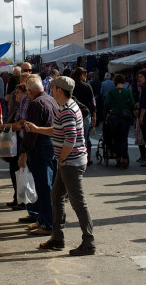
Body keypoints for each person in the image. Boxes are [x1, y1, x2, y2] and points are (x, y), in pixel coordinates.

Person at [26, 76, 95, 256]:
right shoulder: (65, 107)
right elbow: (57, 131)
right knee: (56, 197)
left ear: (59, 90)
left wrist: (63, 159)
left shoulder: (68, 110)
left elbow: (70, 139)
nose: (50, 89)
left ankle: (88, 242)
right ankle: (57, 237)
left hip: (71, 162)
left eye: (53, 87)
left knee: (78, 203)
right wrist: (37, 129)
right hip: (69, 162)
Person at [17, 74, 59, 237]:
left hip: (40, 147)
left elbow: (31, 131)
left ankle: (47, 223)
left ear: (30, 91)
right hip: (51, 145)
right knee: (47, 186)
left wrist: (25, 152)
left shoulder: (36, 103)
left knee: (44, 187)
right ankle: (43, 220)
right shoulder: (51, 100)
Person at [2, 83, 29, 208]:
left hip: (21, 141)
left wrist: (5, 126)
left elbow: (20, 125)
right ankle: (17, 197)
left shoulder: (26, 103)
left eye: (18, 92)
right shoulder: (18, 104)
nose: (15, 94)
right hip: (16, 140)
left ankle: (21, 200)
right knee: (14, 170)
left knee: (18, 171)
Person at [104, 74, 135, 169]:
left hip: (114, 116)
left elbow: (106, 103)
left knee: (116, 138)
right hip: (125, 117)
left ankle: (118, 159)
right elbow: (133, 104)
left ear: (115, 82)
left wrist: (111, 110)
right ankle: (124, 159)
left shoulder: (112, 91)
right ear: (124, 82)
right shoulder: (127, 91)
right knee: (124, 139)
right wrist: (127, 108)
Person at [71, 67, 96, 162]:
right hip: (86, 114)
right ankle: (83, 158)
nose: (86, 77)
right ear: (82, 76)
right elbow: (93, 101)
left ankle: (74, 156)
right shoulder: (87, 86)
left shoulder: (72, 86)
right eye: (85, 75)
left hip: (73, 114)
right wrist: (94, 115)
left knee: (73, 136)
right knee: (84, 137)